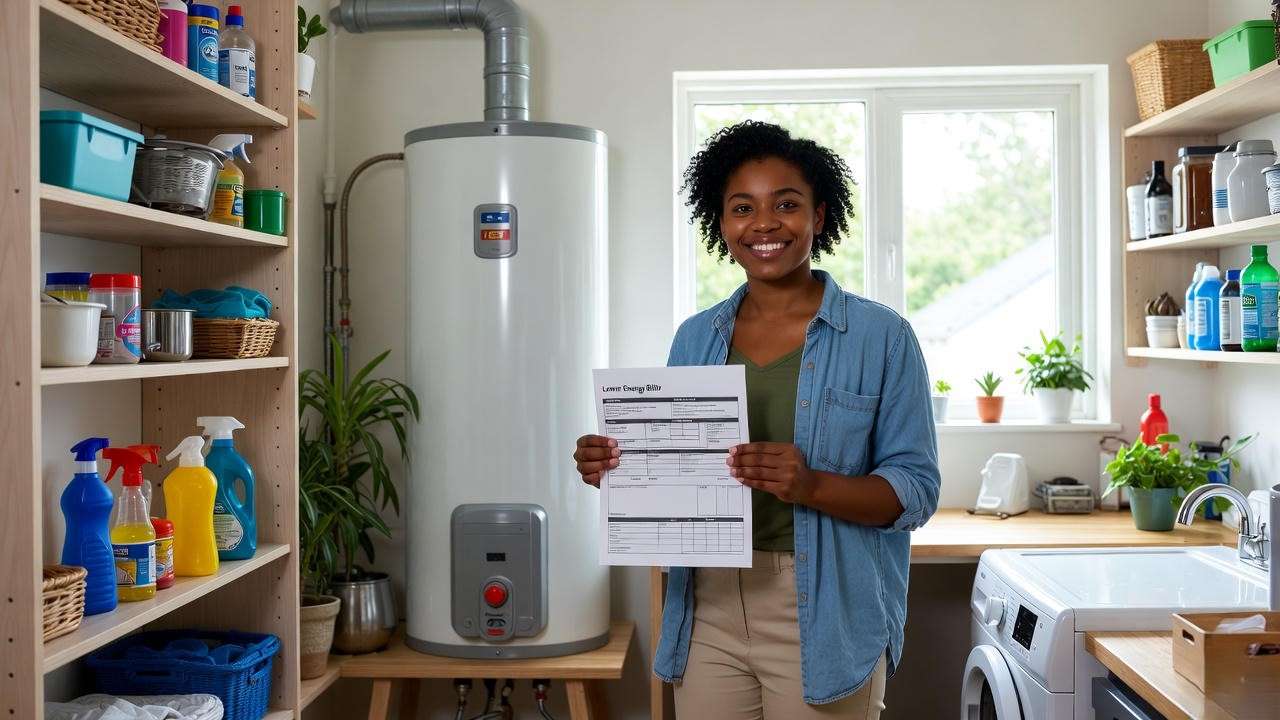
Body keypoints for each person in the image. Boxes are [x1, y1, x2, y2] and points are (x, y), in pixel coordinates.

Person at [573, 120, 940, 719]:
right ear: (722, 223)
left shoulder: (883, 337)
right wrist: (617, 467)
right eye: (743, 208)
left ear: (819, 215)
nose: (764, 224)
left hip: (824, 608)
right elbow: (678, 475)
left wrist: (811, 485)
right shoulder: (695, 337)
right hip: (708, 606)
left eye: (786, 205)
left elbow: (916, 493)